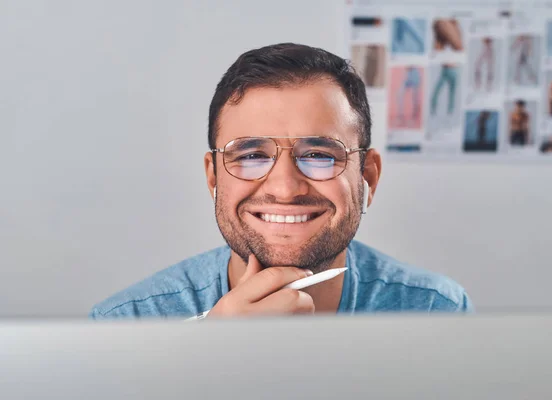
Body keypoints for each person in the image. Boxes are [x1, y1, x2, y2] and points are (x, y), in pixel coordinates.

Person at [90, 43, 473, 320]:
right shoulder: (127, 322)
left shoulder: (436, 311)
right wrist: (205, 356)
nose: (285, 188)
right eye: (251, 155)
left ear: (367, 175)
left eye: (320, 155)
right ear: (213, 177)